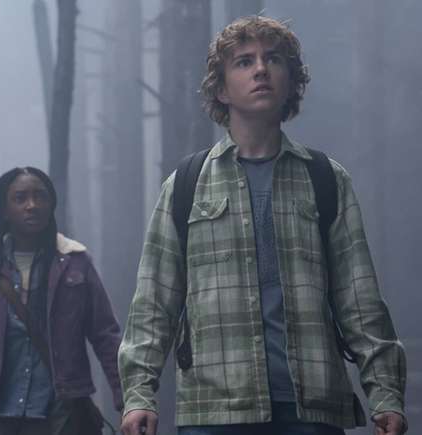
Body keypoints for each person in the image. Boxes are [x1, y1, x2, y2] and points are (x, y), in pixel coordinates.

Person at [118, 16, 406, 435]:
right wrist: (138, 396)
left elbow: (359, 300)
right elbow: (154, 302)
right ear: (221, 89)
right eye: (244, 61)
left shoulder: (325, 179)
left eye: (273, 59)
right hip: (214, 412)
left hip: (312, 408)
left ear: (291, 81)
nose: (260, 70)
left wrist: (385, 393)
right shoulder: (186, 185)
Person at [0, 167, 123, 435]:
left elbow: (107, 337)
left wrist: (129, 401)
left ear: (51, 205)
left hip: (61, 415)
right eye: (20, 198)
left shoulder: (76, 263)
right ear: (4, 210)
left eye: (40, 196)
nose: (32, 205)